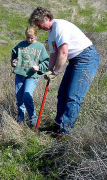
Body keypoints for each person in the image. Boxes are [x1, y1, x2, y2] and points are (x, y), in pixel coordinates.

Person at [28, 7, 100, 135]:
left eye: (39, 25)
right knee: (62, 94)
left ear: (47, 18)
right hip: (75, 61)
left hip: (86, 58)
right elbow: (54, 54)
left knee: (73, 96)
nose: (39, 28)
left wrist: (55, 72)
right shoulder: (51, 33)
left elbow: (63, 52)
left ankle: (65, 132)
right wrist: (49, 71)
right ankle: (58, 126)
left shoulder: (59, 27)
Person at [10, 26, 49, 128]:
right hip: (20, 75)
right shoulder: (21, 45)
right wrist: (13, 62)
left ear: (36, 36)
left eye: (32, 38)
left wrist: (39, 67)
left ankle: (33, 118)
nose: (30, 40)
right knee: (19, 98)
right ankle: (20, 119)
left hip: (32, 76)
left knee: (27, 96)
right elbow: (14, 55)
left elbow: (46, 62)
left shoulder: (40, 47)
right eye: (28, 38)